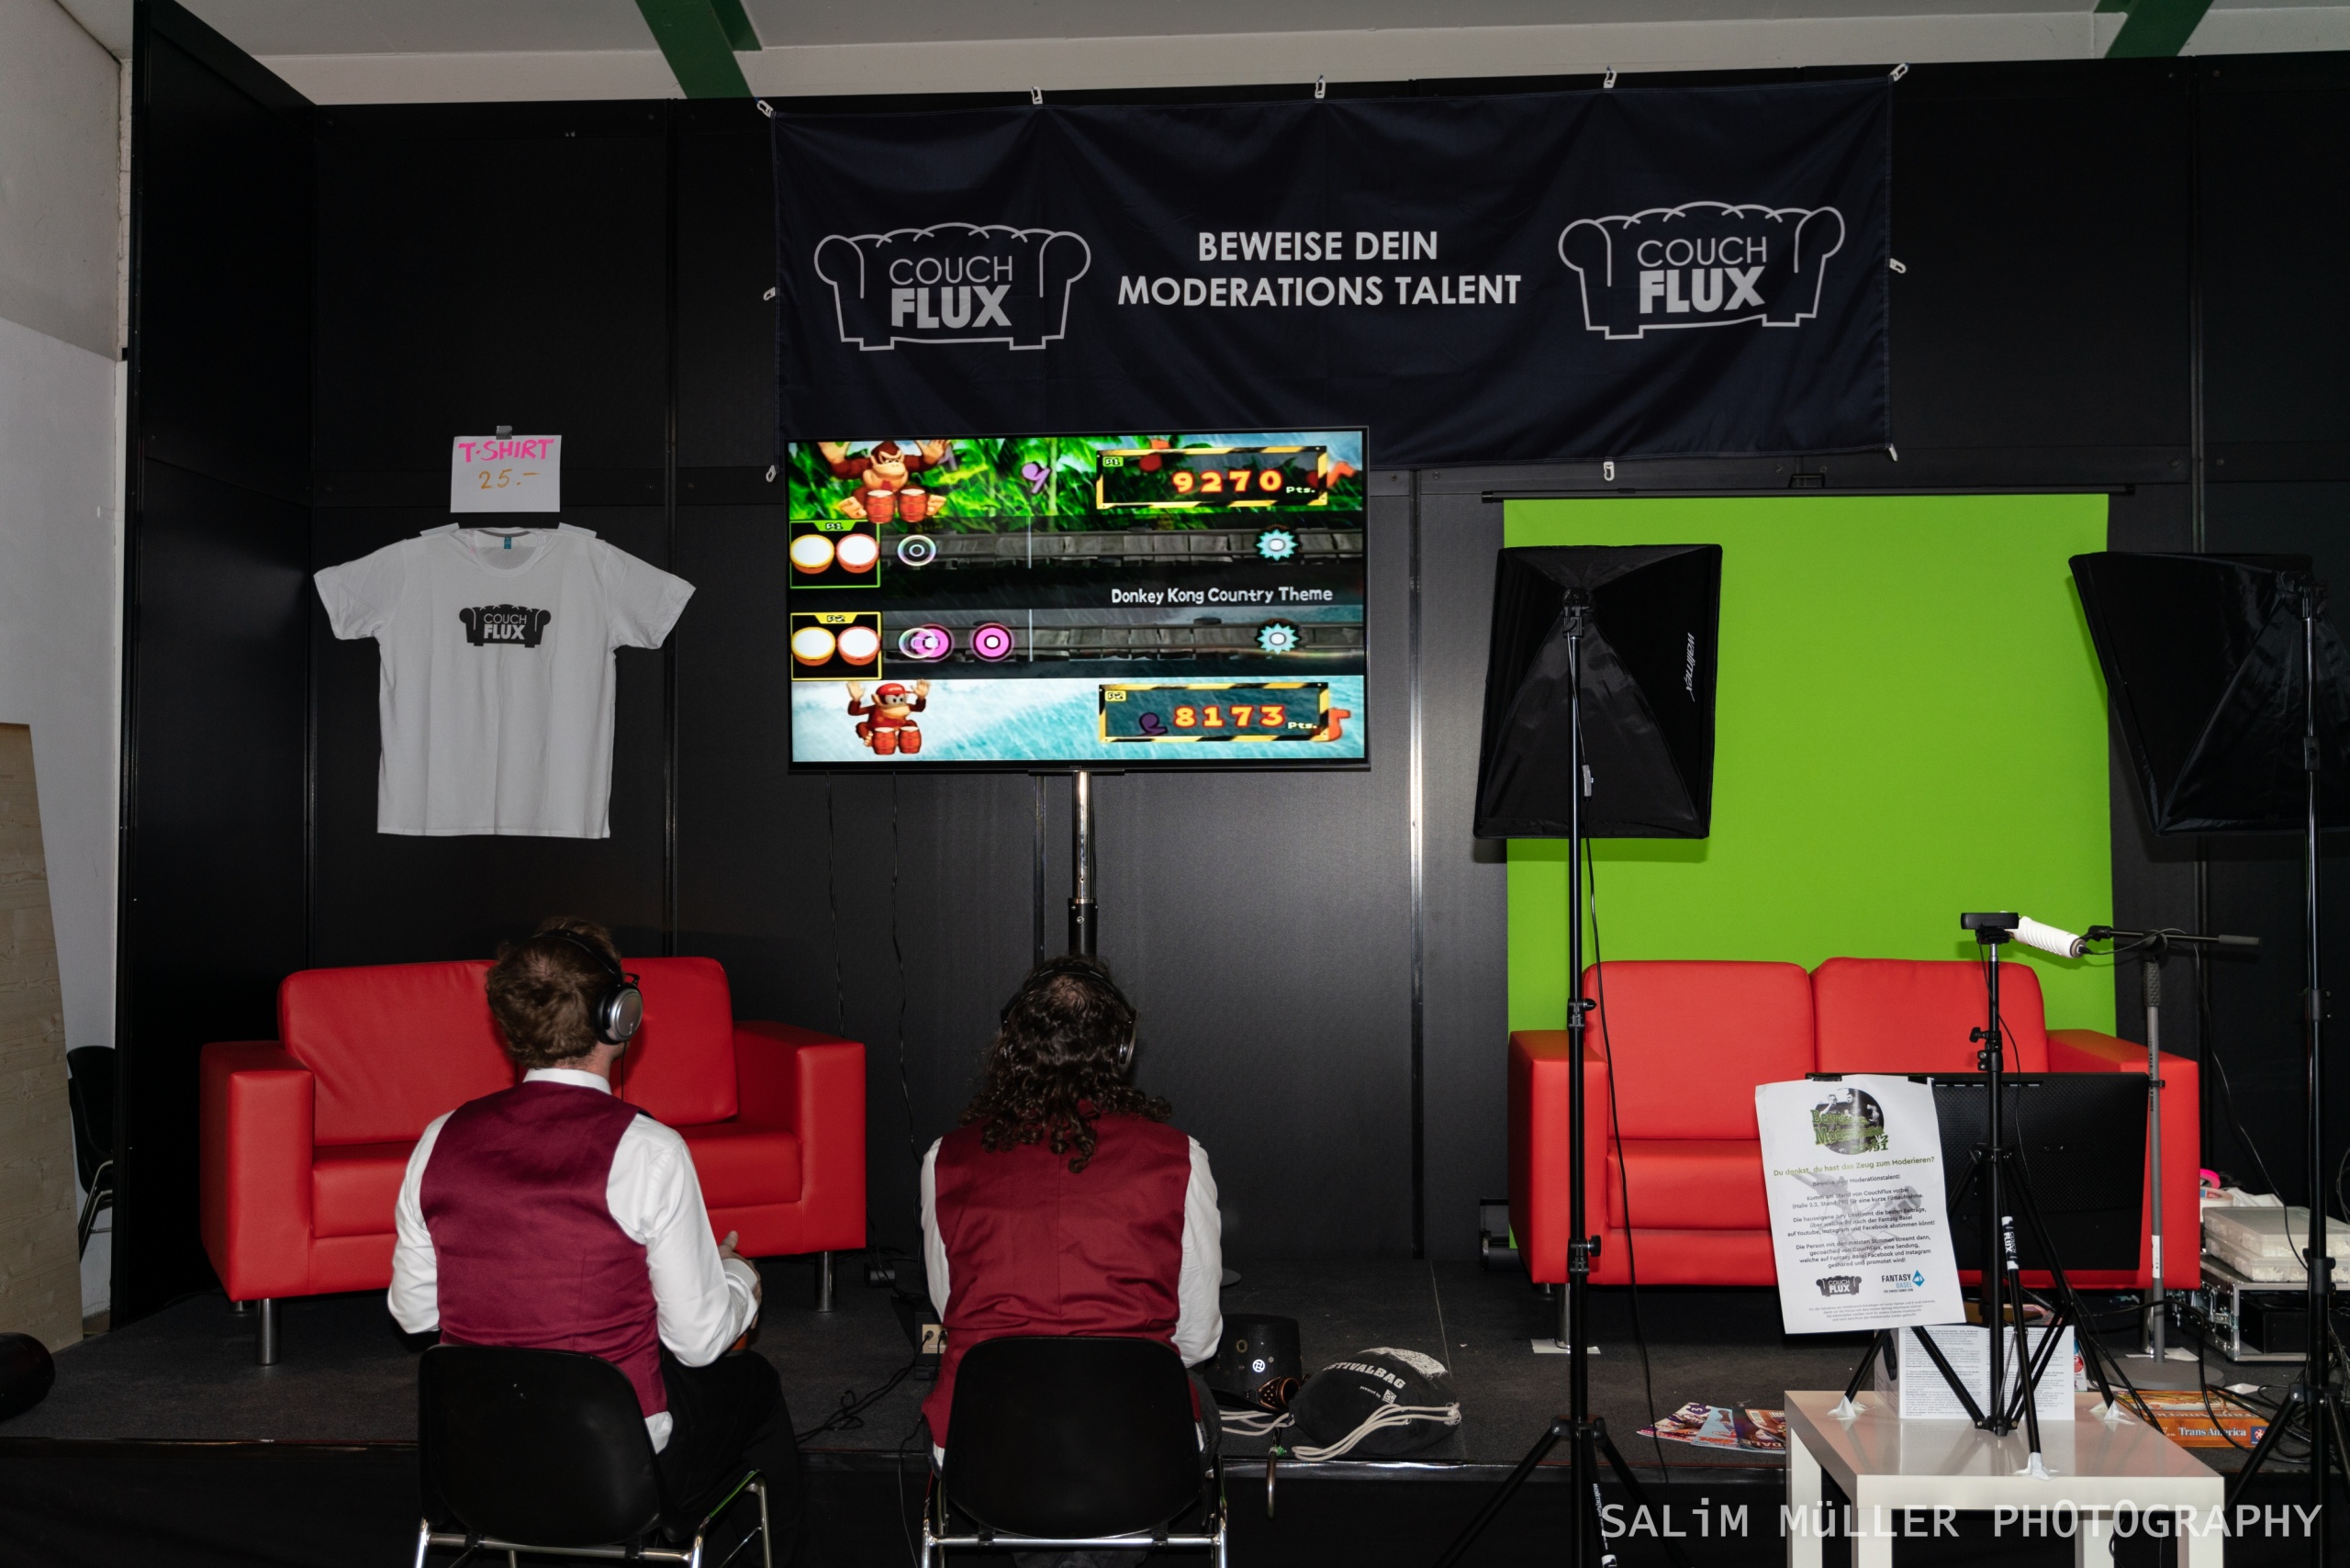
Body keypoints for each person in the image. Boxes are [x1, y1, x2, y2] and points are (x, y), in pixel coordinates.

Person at [388, 916, 801, 1552]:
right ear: (619, 1016)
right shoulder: (650, 1150)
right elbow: (697, 1342)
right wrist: (738, 1277)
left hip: (474, 1467)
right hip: (615, 1474)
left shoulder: (439, 1138)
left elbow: (414, 1314)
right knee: (756, 1385)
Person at [920, 957, 1224, 1466]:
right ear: (1122, 1050)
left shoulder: (944, 1159)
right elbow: (1197, 1340)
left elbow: (951, 1304)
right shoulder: (1180, 1158)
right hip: (1138, 1450)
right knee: (1199, 1397)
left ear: (1010, 1048)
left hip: (986, 1449)